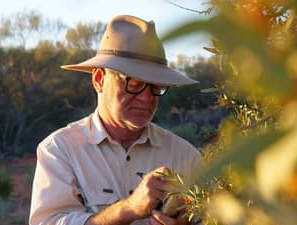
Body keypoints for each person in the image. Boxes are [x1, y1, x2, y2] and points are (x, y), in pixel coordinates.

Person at [29, 15, 202, 225]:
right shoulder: (59, 151)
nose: (147, 98)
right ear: (99, 79)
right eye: (135, 83)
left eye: (156, 87)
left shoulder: (186, 156)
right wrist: (128, 209)